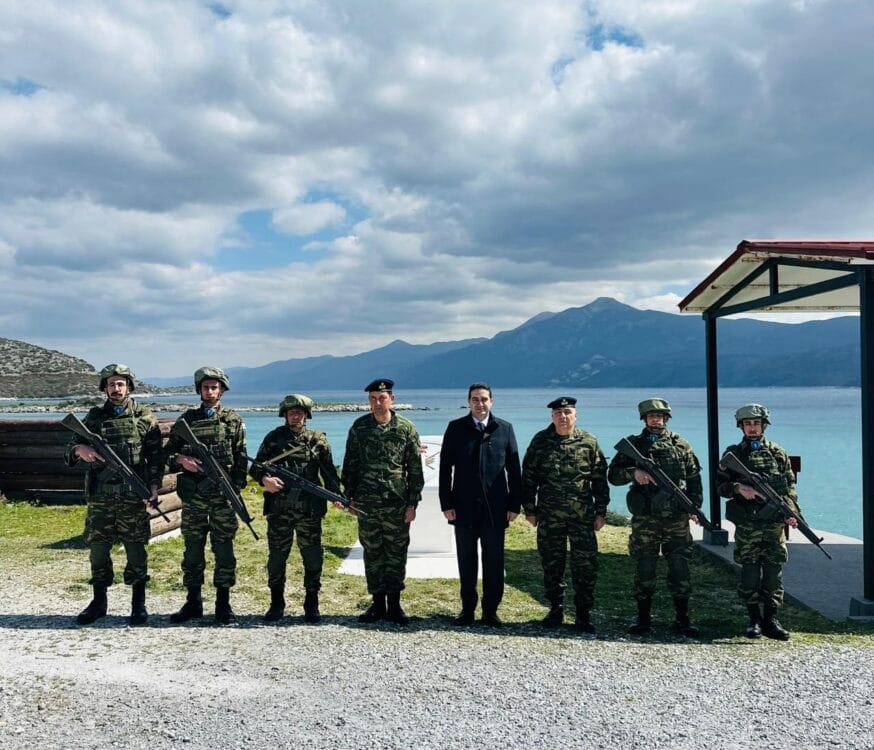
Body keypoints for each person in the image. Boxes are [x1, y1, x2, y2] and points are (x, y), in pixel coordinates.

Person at [65, 364, 163, 626]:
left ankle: (138, 604)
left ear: (129, 386)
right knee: (98, 551)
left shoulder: (145, 417)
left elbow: (156, 459)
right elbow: (70, 448)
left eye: (121, 383)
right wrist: (80, 450)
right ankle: (99, 602)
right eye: (111, 384)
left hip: (133, 498)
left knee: (136, 551)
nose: (116, 388)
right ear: (105, 388)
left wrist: (153, 488)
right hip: (101, 498)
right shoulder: (94, 418)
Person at [607, 398, 703, 637]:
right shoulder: (634, 445)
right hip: (646, 519)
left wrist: (694, 507)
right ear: (644, 419)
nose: (656, 419)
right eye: (651, 416)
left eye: (659, 416)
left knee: (680, 568)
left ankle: (682, 618)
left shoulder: (681, 445)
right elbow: (613, 476)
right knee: (645, 566)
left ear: (666, 418)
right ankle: (643, 618)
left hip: (676, 519)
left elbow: (694, 479)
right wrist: (634, 473)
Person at [163, 367, 247, 625]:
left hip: (222, 498)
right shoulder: (186, 421)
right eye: (205, 387)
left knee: (224, 551)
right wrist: (181, 460)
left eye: (214, 387)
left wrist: (235, 491)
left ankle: (223, 604)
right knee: (192, 551)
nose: (209, 391)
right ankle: (193, 602)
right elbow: (166, 456)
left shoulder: (233, 421)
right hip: (195, 498)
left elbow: (241, 458)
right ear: (199, 390)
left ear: (221, 390)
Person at [249, 394, 341, 623]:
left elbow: (329, 473)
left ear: (306, 415)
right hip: (279, 511)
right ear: (285, 415)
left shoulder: (318, 441)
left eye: (299, 412)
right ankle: (276, 602)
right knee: (277, 557)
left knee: (313, 557)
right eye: (291, 413)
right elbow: (255, 468)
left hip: (309, 511)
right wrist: (265, 480)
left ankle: (312, 602)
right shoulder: (273, 439)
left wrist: (337, 496)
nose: (295, 416)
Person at [521, 397, 609, 633]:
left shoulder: (589, 442)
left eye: (567, 412)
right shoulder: (540, 441)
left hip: (582, 518)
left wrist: (601, 512)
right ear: (552, 416)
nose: (563, 416)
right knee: (552, 565)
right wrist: (529, 509)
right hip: (550, 517)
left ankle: (583, 614)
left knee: (585, 566)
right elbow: (528, 477)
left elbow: (600, 480)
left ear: (575, 415)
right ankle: (555, 610)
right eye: (558, 412)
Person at [439, 383, 522, 627]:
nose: (480, 403)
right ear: (468, 402)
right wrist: (446, 503)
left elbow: (514, 470)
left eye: (484, 399)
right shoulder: (456, 428)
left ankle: (490, 611)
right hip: (463, 507)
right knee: (466, 561)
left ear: (491, 401)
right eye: (475, 399)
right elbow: (445, 469)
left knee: (494, 562)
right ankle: (467, 610)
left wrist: (514, 505)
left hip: (495, 509)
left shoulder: (505, 429)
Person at [342, 379, 424, 625]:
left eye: (382, 398)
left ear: (392, 399)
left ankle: (395, 605)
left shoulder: (406, 429)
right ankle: (377, 604)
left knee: (396, 553)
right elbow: (351, 464)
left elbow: (414, 469)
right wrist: (348, 497)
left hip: (396, 503)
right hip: (366, 503)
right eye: (373, 398)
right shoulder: (359, 427)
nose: (378, 403)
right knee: (373, 552)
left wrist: (412, 504)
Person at [717, 403, 800, 641]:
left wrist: (791, 512)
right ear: (741, 426)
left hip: (773, 525)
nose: (752, 428)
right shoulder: (733, 455)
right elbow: (720, 487)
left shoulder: (778, 453)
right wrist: (738, 488)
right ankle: (753, 619)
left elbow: (790, 488)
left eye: (756, 423)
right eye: (748, 424)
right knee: (750, 571)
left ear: (764, 426)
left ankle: (771, 619)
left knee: (774, 572)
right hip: (748, 525)